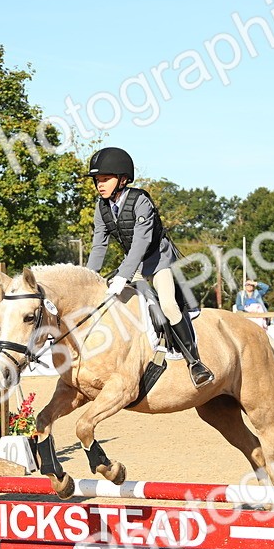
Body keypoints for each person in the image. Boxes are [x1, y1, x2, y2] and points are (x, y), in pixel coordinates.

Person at [84, 146, 212, 387]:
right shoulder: (101, 208)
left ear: (123, 180)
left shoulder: (140, 201)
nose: (99, 184)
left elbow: (142, 242)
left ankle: (195, 362)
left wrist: (124, 274)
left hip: (158, 260)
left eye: (105, 179)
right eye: (97, 180)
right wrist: (89, 277)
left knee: (168, 305)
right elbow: (98, 246)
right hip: (134, 263)